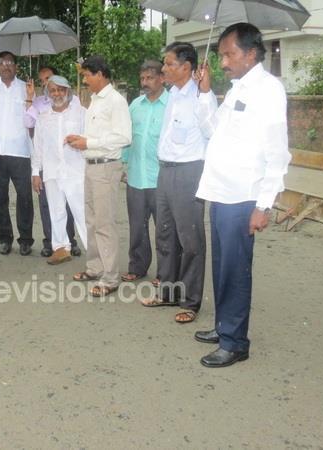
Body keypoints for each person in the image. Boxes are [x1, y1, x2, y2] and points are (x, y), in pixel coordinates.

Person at [194, 23, 291, 367]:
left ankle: (236, 343)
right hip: (221, 193)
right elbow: (211, 131)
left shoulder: (268, 90)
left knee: (236, 271)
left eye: (228, 54)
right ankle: (223, 327)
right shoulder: (236, 89)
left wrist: (263, 204)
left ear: (251, 53)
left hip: (243, 196)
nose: (222, 62)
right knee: (222, 267)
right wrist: (205, 93)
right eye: (221, 54)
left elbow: (278, 153)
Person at [139, 42, 217, 324]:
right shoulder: (173, 93)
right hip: (166, 170)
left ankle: (191, 301)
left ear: (186, 67)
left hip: (189, 172)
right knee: (165, 235)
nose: (164, 68)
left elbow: (213, 130)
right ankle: (168, 291)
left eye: (169, 64)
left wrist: (206, 91)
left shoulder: (201, 95)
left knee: (190, 238)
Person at [66, 55, 132, 297]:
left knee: (105, 224)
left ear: (101, 74)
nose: (85, 80)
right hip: (91, 165)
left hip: (106, 167)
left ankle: (111, 277)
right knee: (92, 221)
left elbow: (124, 137)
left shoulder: (115, 101)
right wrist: (80, 140)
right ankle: (95, 267)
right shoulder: (94, 100)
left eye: (87, 75)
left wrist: (89, 142)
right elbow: (94, 136)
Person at [25, 66, 81, 258]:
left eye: (60, 89)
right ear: (48, 94)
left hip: (76, 171)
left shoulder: (80, 112)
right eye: (53, 90)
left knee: (80, 212)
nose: (57, 93)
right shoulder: (43, 116)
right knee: (56, 211)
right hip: (51, 171)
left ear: (67, 91)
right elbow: (38, 146)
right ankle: (60, 249)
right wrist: (35, 172)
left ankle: (96, 255)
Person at [121, 60, 169, 284]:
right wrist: (123, 164)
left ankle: (165, 273)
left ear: (162, 78)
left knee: (165, 230)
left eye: (150, 78)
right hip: (136, 177)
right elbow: (127, 137)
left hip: (162, 179)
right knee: (137, 227)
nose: (145, 82)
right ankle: (137, 266)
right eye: (142, 78)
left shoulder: (172, 104)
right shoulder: (135, 106)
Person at [0, 51, 34, 256]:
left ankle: (26, 240)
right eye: (3, 63)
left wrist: (31, 98)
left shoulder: (26, 89)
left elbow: (33, 120)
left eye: (11, 62)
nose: (7, 66)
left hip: (21, 152)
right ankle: (4, 238)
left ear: (16, 67)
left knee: (24, 198)